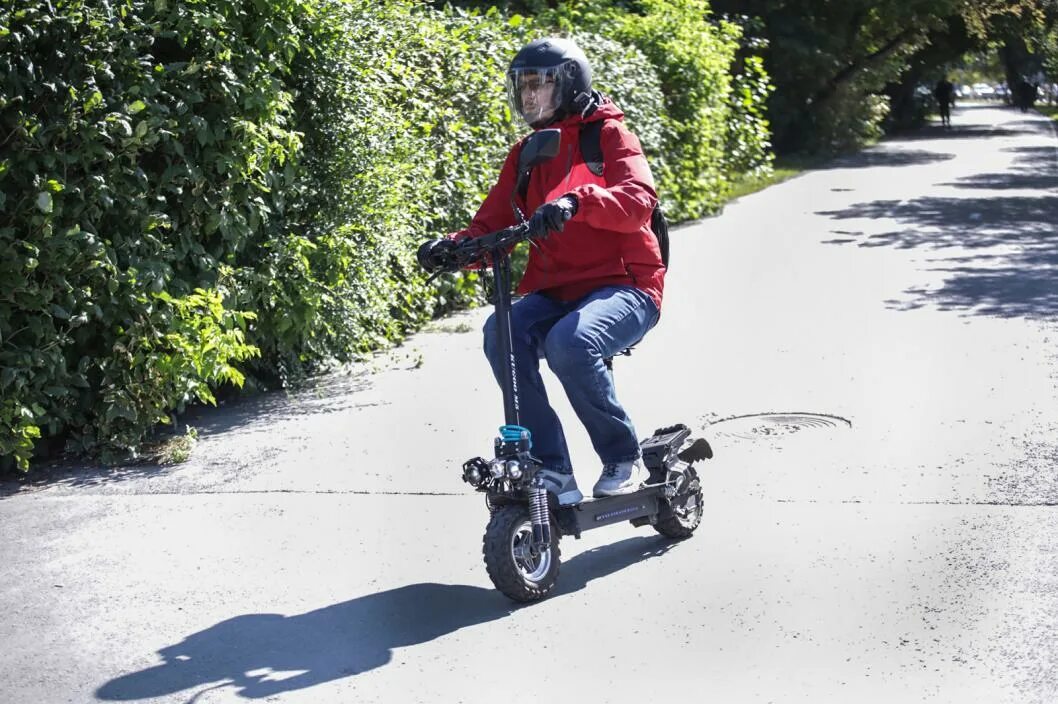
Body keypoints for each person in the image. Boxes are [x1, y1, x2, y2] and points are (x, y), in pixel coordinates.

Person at [422, 37, 665, 505]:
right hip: (557, 289)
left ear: (570, 85)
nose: (528, 96)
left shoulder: (609, 136)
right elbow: (490, 224)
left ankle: (622, 455)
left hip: (626, 284)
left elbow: (638, 203)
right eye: (522, 87)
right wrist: (452, 249)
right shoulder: (526, 154)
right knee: (501, 333)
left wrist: (579, 200)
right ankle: (553, 469)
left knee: (570, 343)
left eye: (539, 85)